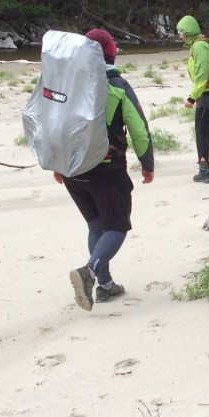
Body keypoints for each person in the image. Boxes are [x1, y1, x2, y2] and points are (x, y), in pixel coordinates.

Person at [59, 29, 154, 311]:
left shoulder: (68, 82)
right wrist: (147, 163)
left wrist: (57, 162)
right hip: (106, 169)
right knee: (116, 226)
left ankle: (106, 285)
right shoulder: (117, 85)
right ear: (111, 53)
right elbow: (139, 130)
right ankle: (89, 273)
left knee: (96, 225)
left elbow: (53, 124)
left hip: (71, 169)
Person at [176, 14, 209, 184]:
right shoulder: (199, 43)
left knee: (200, 133)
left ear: (188, 32)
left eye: (180, 32)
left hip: (208, 95)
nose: (180, 36)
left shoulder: (199, 46)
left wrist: (192, 98)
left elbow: (202, 74)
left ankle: (204, 171)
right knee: (208, 132)